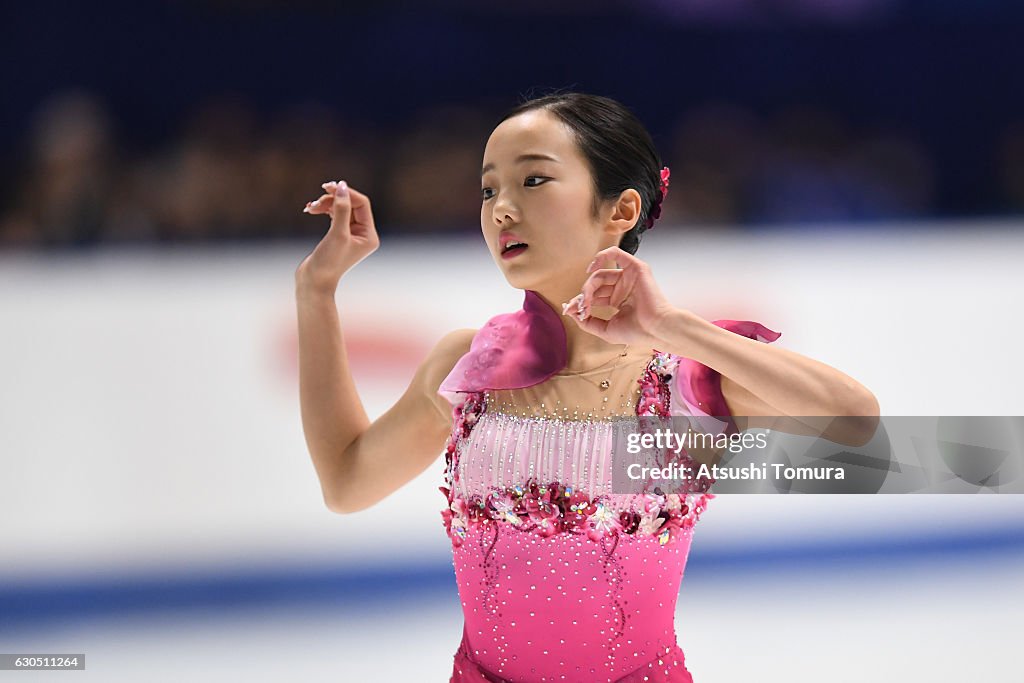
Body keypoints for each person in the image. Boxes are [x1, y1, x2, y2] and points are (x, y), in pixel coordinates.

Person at [295, 92, 879, 682]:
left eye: (534, 180)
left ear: (621, 210)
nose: (501, 209)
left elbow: (855, 422)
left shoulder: (685, 378)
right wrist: (317, 292)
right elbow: (347, 482)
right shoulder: (468, 367)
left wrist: (672, 326)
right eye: (489, 189)